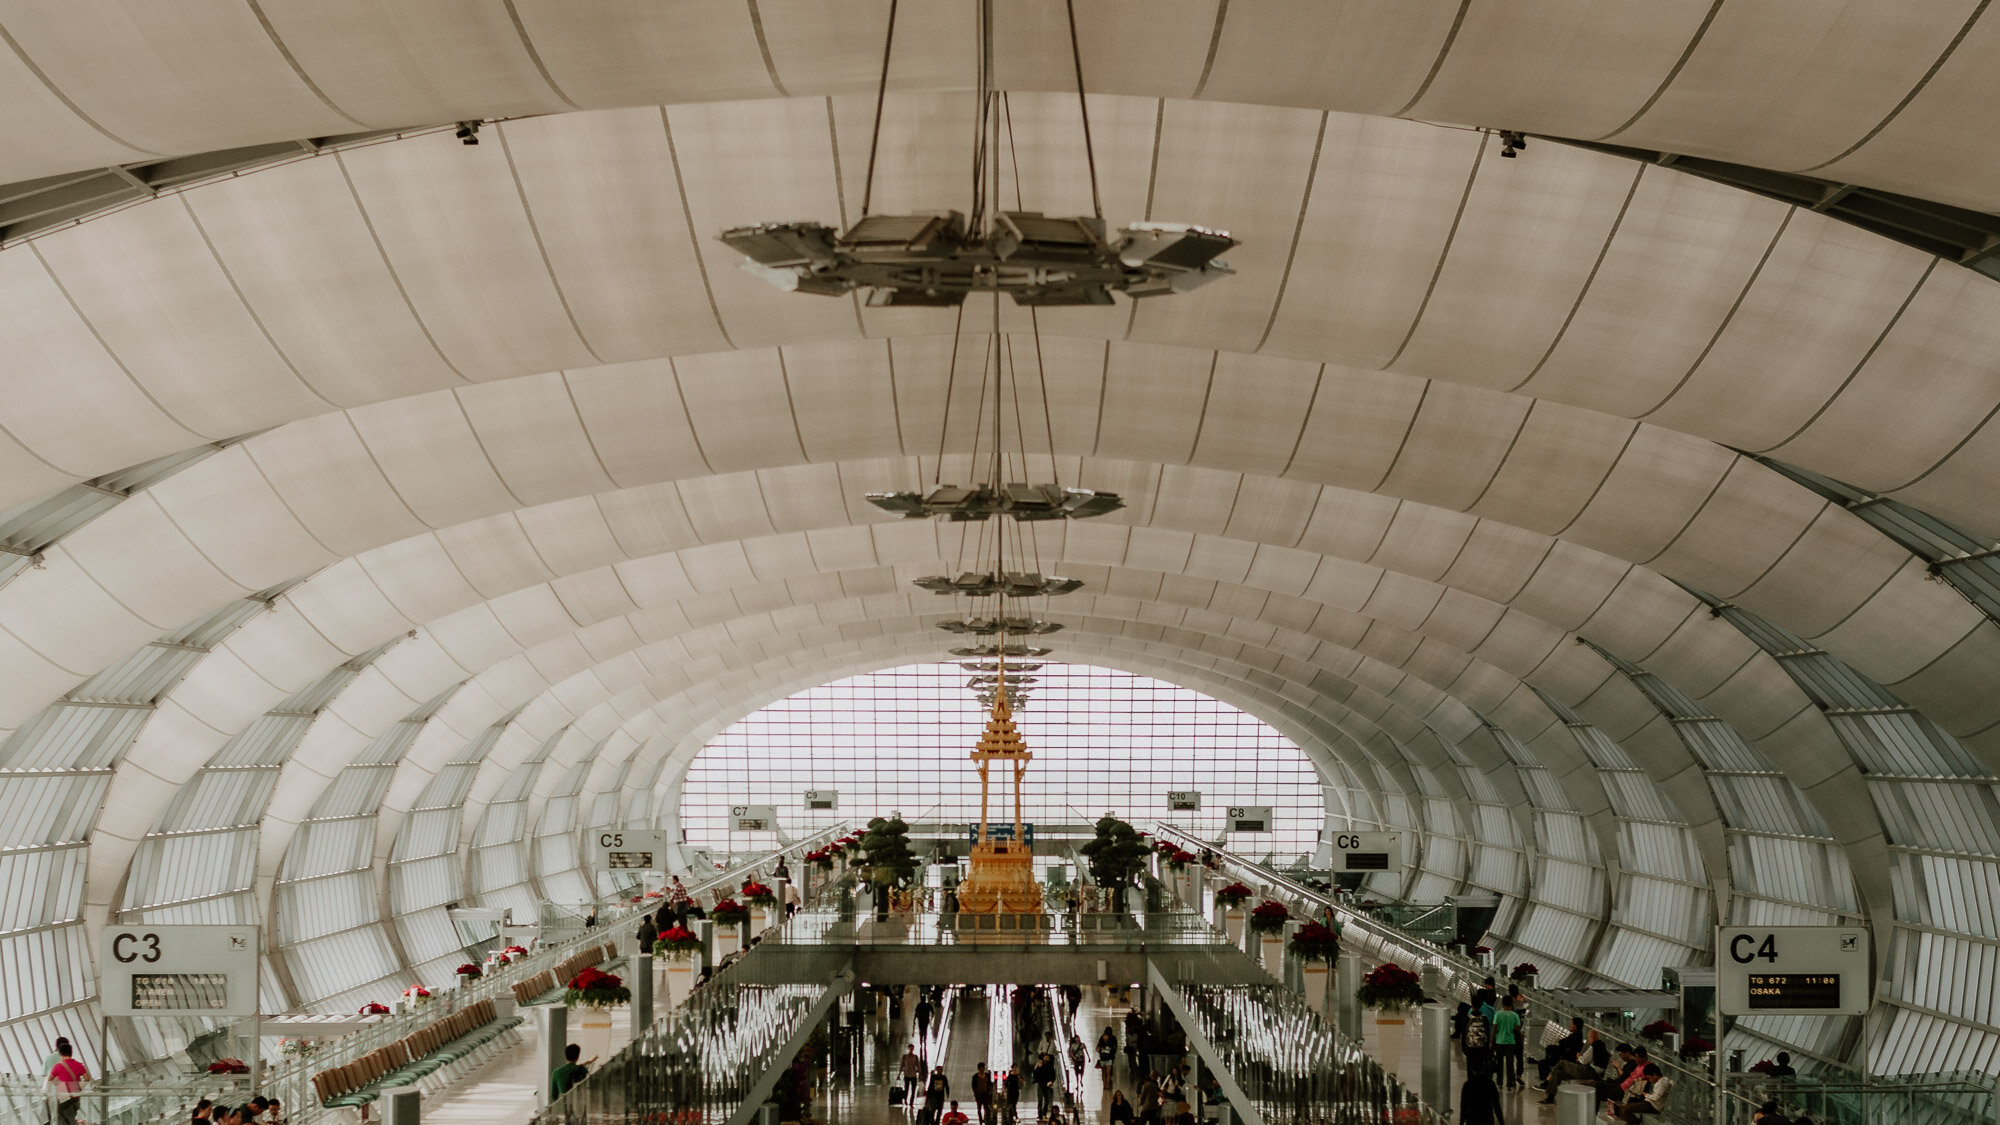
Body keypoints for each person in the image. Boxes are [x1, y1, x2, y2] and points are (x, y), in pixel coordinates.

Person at [46, 1039, 88, 1125]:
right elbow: (87, 1078)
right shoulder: (79, 1065)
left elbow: (49, 1080)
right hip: (75, 1096)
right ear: (71, 1052)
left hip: (62, 1097)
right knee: (71, 1117)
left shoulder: (58, 1066)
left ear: (60, 1054)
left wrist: (48, 1095)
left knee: (62, 1120)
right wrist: (79, 1086)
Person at [1492, 996, 1523, 1088]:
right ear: (1511, 1004)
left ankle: (1499, 1081)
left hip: (1499, 1041)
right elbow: (1518, 1028)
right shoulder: (1515, 1015)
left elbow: (1494, 1028)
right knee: (1510, 1062)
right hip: (1510, 1042)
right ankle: (1510, 1081)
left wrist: (1491, 1041)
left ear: (1502, 1004)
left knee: (1499, 1062)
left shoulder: (1498, 1014)